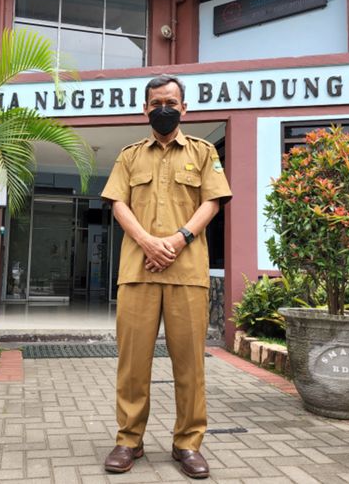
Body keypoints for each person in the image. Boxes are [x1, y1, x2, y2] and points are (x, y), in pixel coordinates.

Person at [101, 75, 232, 479]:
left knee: (190, 366)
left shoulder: (204, 152)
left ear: (184, 108)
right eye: (157, 102)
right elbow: (118, 204)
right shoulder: (129, 156)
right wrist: (147, 241)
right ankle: (128, 440)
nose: (164, 109)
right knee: (132, 364)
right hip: (138, 273)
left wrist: (178, 239)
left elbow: (212, 201)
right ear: (145, 109)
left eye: (171, 102)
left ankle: (187, 443)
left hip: (187, 274)